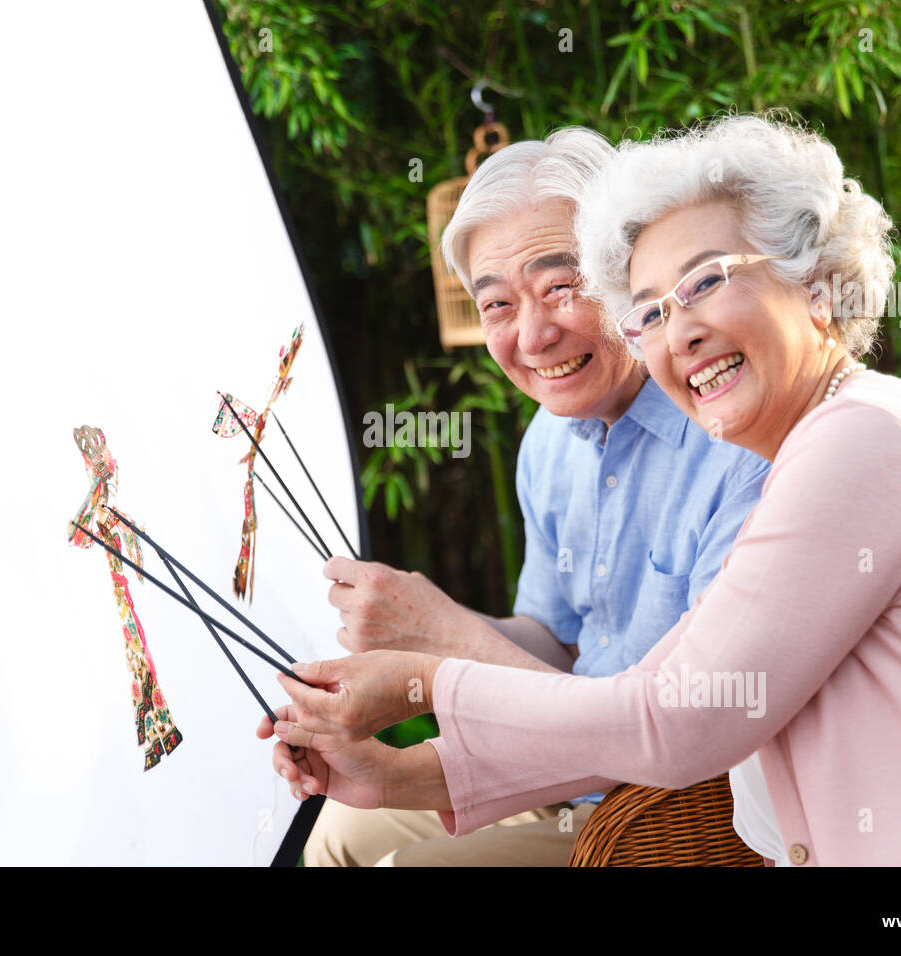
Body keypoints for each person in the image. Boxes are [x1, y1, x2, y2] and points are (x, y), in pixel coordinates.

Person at [267, 113, 901, 866]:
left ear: (817, 285)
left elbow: (671, 724)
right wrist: (394, 777)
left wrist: (423, 673)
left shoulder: (861, 439)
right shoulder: (808, 449)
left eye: (707, 281)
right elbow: (643, 700)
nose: (676, 330)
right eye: (647, 310)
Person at [292, 128, 770, 866]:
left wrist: (443, 640)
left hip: (673, 818)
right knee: (334, 832)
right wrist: (412, 631)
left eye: (561, 286)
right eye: (497, 305)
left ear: (631, 275)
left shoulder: (737, 431)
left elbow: (675, 726)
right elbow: (557, 640)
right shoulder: (549, 440)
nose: (534, 334)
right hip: (555, 775)